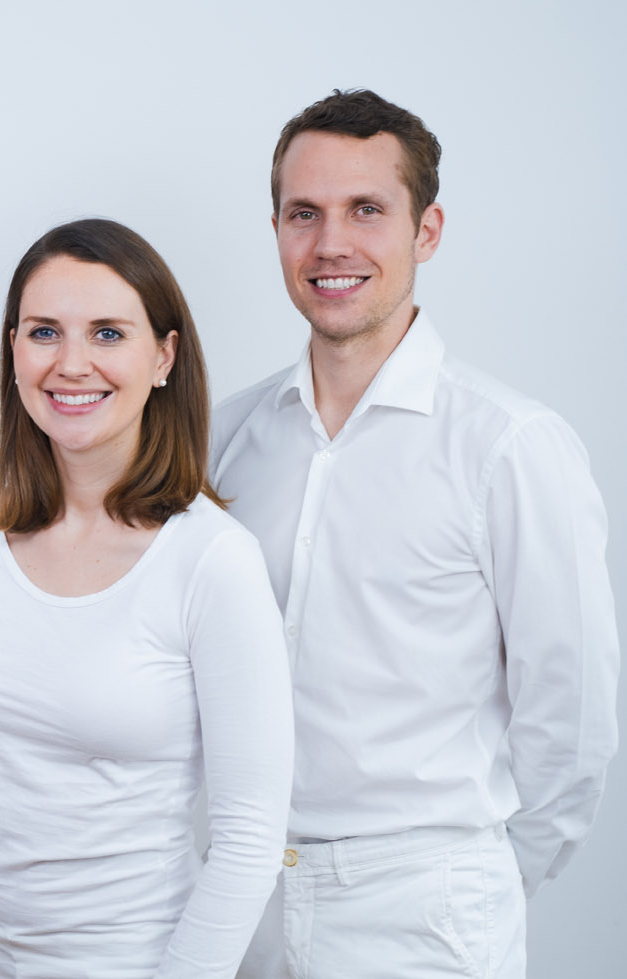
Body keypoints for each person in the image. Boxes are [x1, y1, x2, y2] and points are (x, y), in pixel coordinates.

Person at [213, 90, 620, 978]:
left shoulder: (509, 445)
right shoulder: (225, 439)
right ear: (276, 228)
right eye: (304, 213)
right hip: (243, 907)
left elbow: (574, 717)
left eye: (368, 210)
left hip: (425, 916)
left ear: (426, 230)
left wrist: (480, 879)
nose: (331, 245)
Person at [0, 218, 294, 978]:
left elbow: (251, 834)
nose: (71, 363)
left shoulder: (212, 558)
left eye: (106, 333)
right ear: (13, 350)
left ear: (163, 356)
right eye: (43, 332)